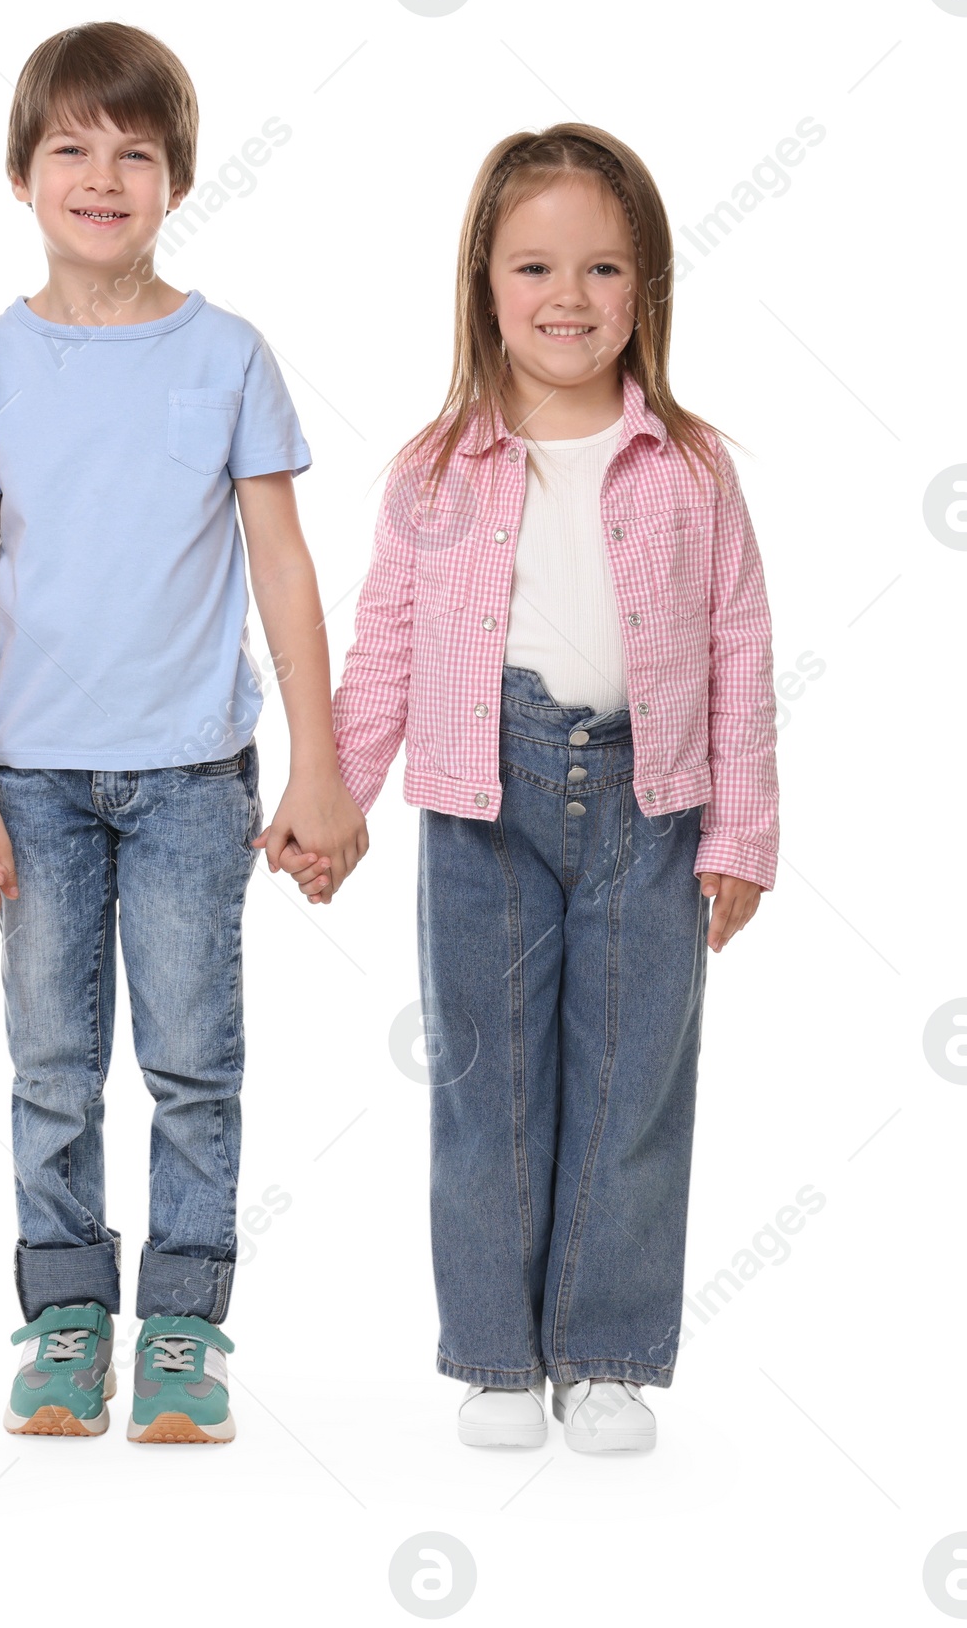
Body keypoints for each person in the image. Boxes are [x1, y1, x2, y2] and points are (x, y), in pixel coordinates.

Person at [0, 21, 367, 1443]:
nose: (102, 177)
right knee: (50, 1061)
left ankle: (182, 1325)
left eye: (135, 154)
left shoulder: (227, 352)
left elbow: (282, 568)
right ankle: (63, 1319)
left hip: (188, 778)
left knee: (191, 1059)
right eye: (71, 150)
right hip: (29, 778)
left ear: (176, 179)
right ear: (21, 172)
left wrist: (320, 761)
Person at [324, 125, 778, 1453]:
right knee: (490, 1083)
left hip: (654, 796)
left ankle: (605, 1349)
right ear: (484, 282)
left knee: (633, 1080)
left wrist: (740, 828)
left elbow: (739, 649)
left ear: (648, 290)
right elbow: (388, 650)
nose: (567, 299)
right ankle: (498, 1358)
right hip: (484, 799)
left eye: (601, 269)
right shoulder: (436, 467)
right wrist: (336, 796)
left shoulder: (691, 469)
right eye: (534, 267)